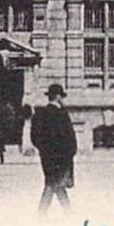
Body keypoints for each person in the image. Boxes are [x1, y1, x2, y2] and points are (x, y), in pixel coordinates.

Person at [29, 84, 77, 214]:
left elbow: (34, 137)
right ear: (57, 96)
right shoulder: (62, 114)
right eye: (62, 96)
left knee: (54, 183)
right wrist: (69, 154)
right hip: (62, 157)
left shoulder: (40, 114)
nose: (63, 99)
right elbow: (70, 138)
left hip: (46, 157)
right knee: (53, 185)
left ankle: (66, 212)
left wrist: (44, 150)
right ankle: (46, 212)